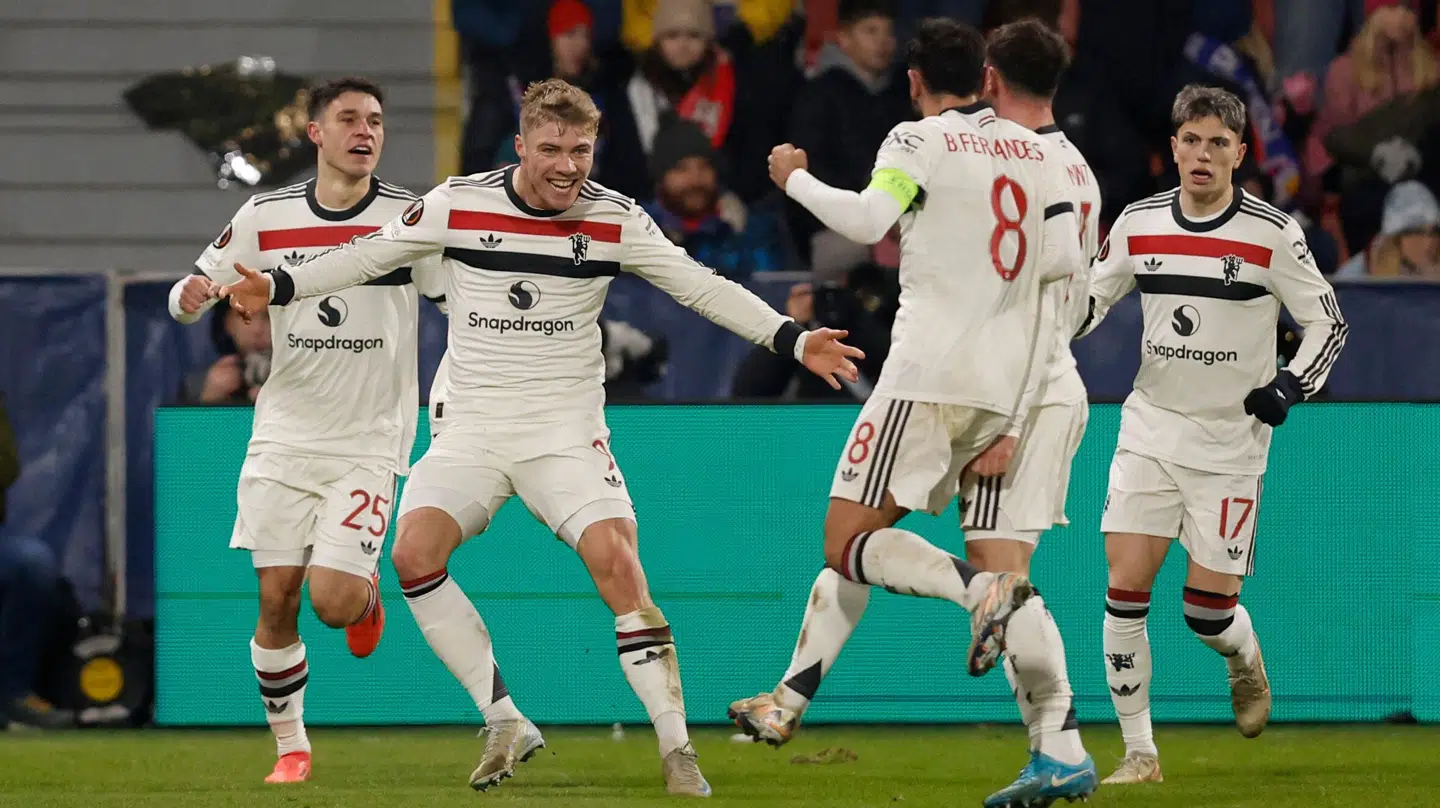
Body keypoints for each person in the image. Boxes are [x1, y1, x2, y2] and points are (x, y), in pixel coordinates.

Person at [216, 78, 862, 797]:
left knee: (618, 565)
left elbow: (698, 284)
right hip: (468, 428)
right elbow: (368, 253)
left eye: (580, 149)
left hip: (562, 429)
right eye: (550, 148)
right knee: (412, 556)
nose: (566, 165)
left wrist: (795, 340)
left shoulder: (614, 218)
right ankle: (504, 719)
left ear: (596, 149)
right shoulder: (460, 203)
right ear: (521, 146)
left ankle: (679, 752)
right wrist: (278, 286)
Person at [725, 18, 1098, 806]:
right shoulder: (1045, 155)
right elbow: (1064, 271)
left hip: (927, 375)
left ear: (915, 81)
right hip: (1007, 387)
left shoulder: (917, 139)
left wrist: (792, 175)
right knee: (973, 560)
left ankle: (974, 596)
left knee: (847, 538)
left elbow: (866, 221)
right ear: (985, 79)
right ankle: (1056, 748)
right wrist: (1018, 413)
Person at [166, 77, 447, 784]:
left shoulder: (410, 219)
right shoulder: (266, 213)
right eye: (349, 118)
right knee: (275, 595)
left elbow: (460, 295)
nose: (366, 130)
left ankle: (365, 594)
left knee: (332, 602)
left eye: (377, 120)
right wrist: (191, 296)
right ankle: (291, 746)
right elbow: (189, 292)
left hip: (369, 436)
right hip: (286, 433)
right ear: (316, 133)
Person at [1077, 84, 1348, 785]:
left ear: (1239, 153)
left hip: (1231, 444)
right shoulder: (1137, 223)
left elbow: (1328, 323)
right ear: (1173, 148)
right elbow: (1088, 304)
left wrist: (1290, 385)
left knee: (1207, 611)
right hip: (1151, 428)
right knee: (1125, 585)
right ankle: (1140, 754)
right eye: (1190, 141)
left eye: (1218, 143)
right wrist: (1039, 328)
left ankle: (1243, 660)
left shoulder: (1271, 234)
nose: (1202, 154)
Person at [952, 19, 1103, 807]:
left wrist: (1005, 416)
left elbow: (1029, 302)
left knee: (999, 582)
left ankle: (1061, 749)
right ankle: (1055, 750)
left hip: (1023, 393)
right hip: (1056, 381)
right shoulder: (1079, 168)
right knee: (1001, 579)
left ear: (989, 79)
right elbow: (1077, 306)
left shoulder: (1007, 166)